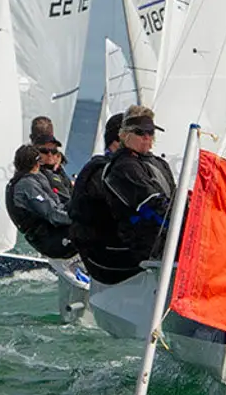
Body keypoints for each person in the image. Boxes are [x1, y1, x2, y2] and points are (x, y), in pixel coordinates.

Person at [69, 105, 175, 285]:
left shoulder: (156, 163)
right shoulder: (122, 167)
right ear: (125, 134)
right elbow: (152, 208)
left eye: (151, 132)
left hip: (154, 244)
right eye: (141, 132)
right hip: (124, 256)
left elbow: (173, 199)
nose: (148, 137)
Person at [6, 144, 78, 260]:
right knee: (93, 228)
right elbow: (53, 214)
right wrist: (82, 218)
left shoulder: (34, 178)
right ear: (37, 163)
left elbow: (61, 202)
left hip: (54, 232)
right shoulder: (26, 185)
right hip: (51, 242)